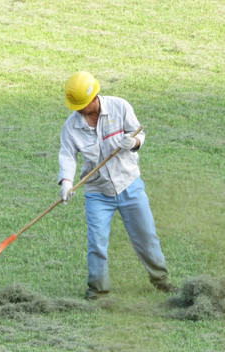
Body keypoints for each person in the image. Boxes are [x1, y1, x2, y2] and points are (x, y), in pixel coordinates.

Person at [57, 71, 177, 300]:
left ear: (94, 97)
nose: (79, 110)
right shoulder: (71, 127)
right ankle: (97, 290)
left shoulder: (120, 107)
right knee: (97, 243)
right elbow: (68, 155)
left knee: (146, 236)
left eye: (82, 104)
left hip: (129, 185)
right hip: (97, 193)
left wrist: (133, 142)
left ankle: (161, 280)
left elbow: (140, 134)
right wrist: (66, 182)